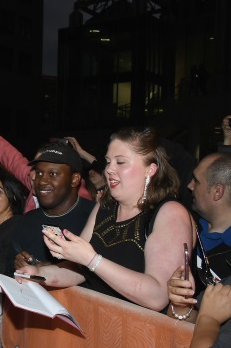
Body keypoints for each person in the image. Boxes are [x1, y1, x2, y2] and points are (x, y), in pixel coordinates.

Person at [17, 127, 193, 312]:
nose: (109, 169)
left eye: (121, 162)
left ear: (150, 169)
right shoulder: (105, 206)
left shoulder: (170, 213)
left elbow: (157, 296)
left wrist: (93, 260)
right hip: (96, 322)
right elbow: (79, 269)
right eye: (108, 162)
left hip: (140, 332)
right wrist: (39, 274)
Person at [166, 153, 231, 348]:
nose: (189, 186)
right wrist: (179, 305)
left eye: (196, 180)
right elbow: (180, 319)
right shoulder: (182, 226)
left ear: (217, 192)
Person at [0, 102, 93, 213]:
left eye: (52, 173)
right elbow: (9, 156)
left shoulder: (81, 202)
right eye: (37, 170)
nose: (40, 178)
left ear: (73, 179)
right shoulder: (32, 178)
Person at [9, 142, 95, 275]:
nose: (42, 181)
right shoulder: (26, 222)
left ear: (74, 179)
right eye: (39, 173)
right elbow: (6, 271)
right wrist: (17, 263)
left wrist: (56, 270)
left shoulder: (96, 218)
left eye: (53, 174)